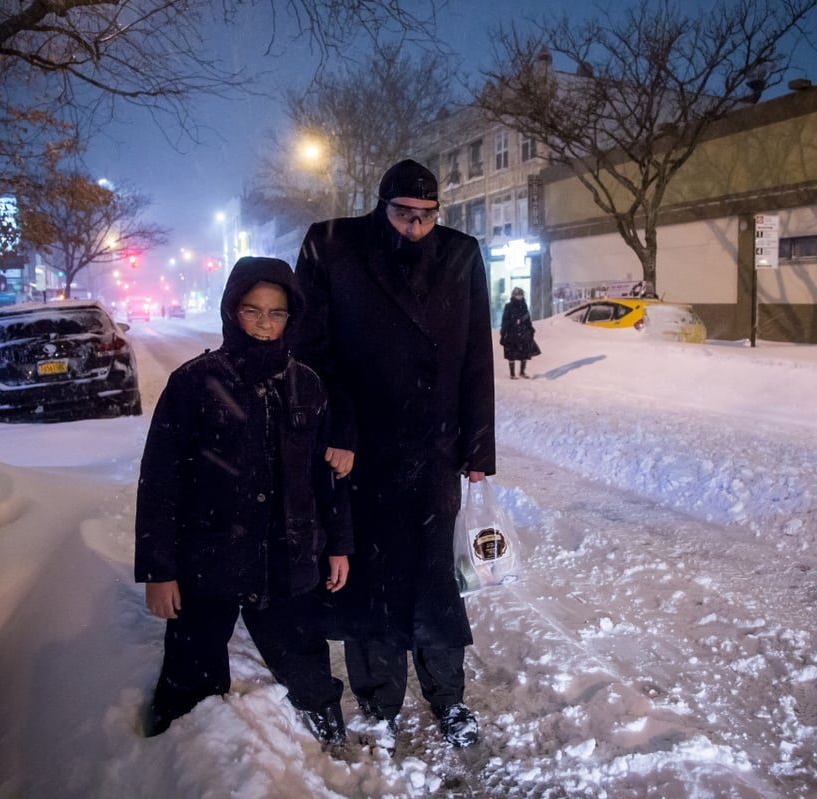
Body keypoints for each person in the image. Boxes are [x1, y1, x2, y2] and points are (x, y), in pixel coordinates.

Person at [294, 159, 496, 748]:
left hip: (433, 447)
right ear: (382, 206)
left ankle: (447, 698)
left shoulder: (461, 253)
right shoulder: (335, 246)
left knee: (435, 577)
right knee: (367, 577)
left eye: (428, 216)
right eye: (405, 215)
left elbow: (476, 356)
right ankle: (379, 700)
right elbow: (314, 348)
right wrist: (339, 429)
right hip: (361, 449)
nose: (416, 228)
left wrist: (477, 444)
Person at [134, 256, 354, 744]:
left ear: (291, 317)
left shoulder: (307, 385)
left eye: (276, 313)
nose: (264, 324)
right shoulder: (194, 384)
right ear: (232, 310)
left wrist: (338, 543)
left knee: (307, 668)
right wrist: (159, 570)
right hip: (207, 560)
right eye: (253, 311)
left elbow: (326, 480)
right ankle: (179, 757)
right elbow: (160, 481)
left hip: (286, 558)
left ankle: (328, 741)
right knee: (189, 677)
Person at [499, 287, 540, 379]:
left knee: (524, 352)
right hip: (511, 333)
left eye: (520, 294)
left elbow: (527, 319)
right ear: (514, 295)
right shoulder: (509, 306)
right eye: (517, 294)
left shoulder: (524, 305)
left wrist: (530, 329)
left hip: (523, 332)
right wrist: (505, 331)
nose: (519, 296)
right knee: (511, 353)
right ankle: (512, 374)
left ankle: (522, 372)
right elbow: (505, 320)